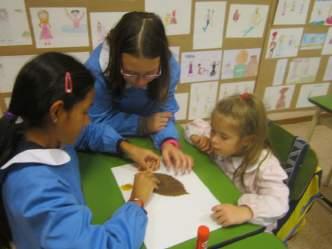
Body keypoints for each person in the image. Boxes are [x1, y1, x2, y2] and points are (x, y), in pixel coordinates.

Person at [0, 52, 158, 249]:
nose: (88, 120)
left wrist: (126, 147)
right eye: (84, 112)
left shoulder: (45, 132)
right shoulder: (35, 191)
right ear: (57, 112)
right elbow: (106, 245)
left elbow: (88, 133)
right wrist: (137, 201)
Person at [76, 11, 193, 174]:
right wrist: (142, 124)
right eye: (130, 73)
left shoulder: (170, 68)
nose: (140, 83)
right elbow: (95, 120)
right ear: (116, 59)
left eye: (150, 73)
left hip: (149, 138)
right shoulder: (96, 70)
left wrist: (168, 141)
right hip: (107, 142)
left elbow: (163, 114)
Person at [184, 93, 289, 231]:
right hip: (217, 200)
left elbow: (279, 204)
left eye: (223, 137)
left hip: (248, 226)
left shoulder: (266, 165)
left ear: (247, 140)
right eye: (213, 131)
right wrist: (197, 138)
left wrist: (246, 211)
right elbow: (192, 126)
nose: (214, 139)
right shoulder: (221, 137)